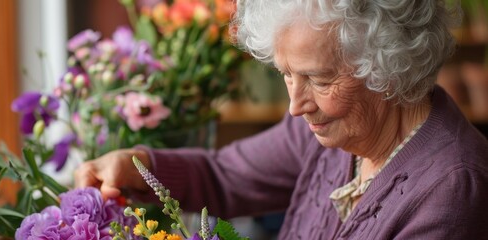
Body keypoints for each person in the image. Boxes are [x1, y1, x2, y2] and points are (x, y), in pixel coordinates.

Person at [74, 0, 488, 239]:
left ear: (388, 67)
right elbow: (225, 176)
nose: (296, 105)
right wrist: (137, 167)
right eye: (286, 75)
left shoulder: (453, 188)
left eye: (318, 78)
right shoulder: (325, 128)